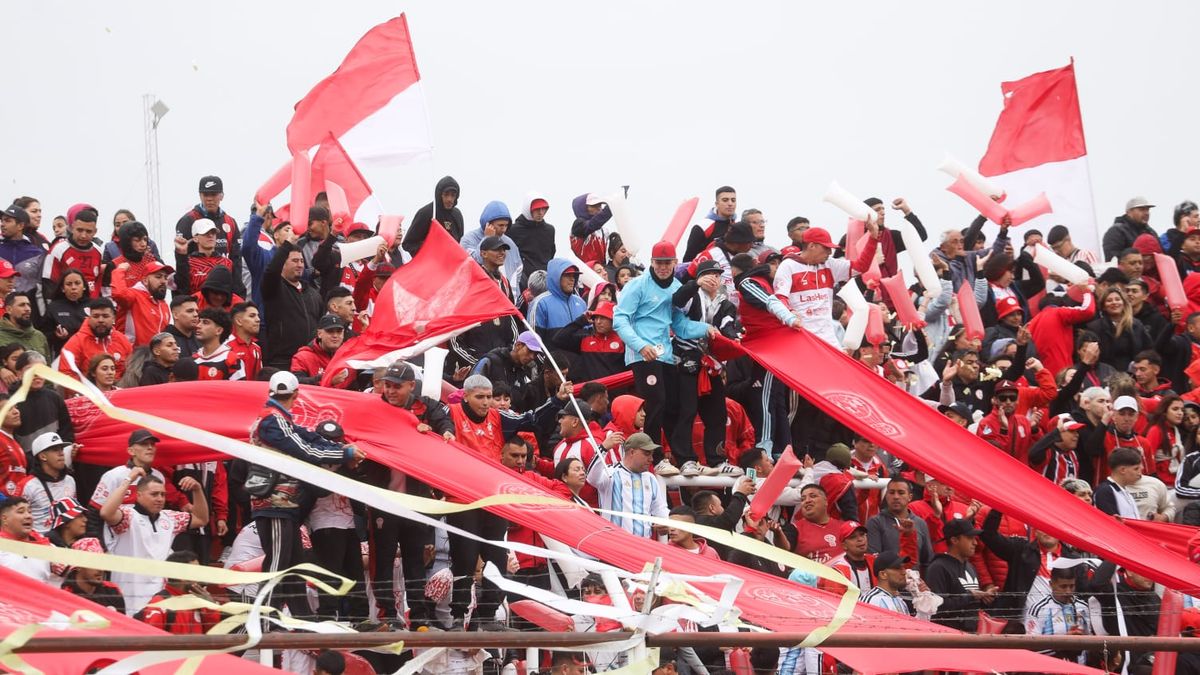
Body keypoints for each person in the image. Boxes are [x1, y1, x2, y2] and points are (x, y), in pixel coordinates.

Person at [249, 371, 364, 619]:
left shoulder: (279, 419)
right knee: (279, 561)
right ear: (296, 395)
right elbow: (305, 449)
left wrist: (339, 448)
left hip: (285, 502)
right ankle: (261, 618)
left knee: (294, 561)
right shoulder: (272, 420)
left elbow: (308, 437)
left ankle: (302, 618)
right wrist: (344, 455)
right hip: (274, 502)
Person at [613, 241, 717, 474]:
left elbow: (679, 326)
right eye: (658, 263)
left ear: (675, 263)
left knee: (674, 406)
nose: (662, 267)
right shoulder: (637, 285)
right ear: (651, 262)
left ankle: (686, 459)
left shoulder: (676, 288)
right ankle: (655, 458)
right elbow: (620, 319)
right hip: (643, 356)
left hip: (665, 355)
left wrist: (706, 328)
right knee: (656, 401)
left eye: (667, 263)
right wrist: (640, 346)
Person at [99, 468, 208, 614]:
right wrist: (128, 480)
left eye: (163, 494)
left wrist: (197, 489)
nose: (160, 498)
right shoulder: (127, 515)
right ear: (138, 495)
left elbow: (201, 519)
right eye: (154, 494)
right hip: (129, 597)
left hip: (159, 600)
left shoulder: (170, 518)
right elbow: (106, 512)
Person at [775, 225, 879, 348]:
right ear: (811, 246)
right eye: (826, 248)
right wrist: (790, 312)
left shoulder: (830, 264)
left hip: (829, 339)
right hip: (801, 336)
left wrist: (873, 238)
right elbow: (780, 298)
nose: (830, 252)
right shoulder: (788, 266)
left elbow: (861, 267)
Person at [587, 432, 670, 538]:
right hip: (615, 543)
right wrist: (603, 448)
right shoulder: (610, 473)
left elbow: (660, 509)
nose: (651, 459)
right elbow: (591, 478)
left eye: (652, 454)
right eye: (647, 454)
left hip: (644, 546)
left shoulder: (650, 478)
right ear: (632, 452)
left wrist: (666, 524)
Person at [175, 176, 242, 293]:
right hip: (197, 287)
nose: (209, 199)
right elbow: (182, 261)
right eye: (206, 195)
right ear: (200, 195)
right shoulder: (188, 220)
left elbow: (236, 260)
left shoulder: (230, 222)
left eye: (214, 194)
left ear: (221, 196)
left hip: (225, 289)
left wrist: (238, 293)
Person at [261, 240, 322, 369]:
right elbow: (271, 272)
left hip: (310, 360)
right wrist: (287, 244)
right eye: (294, 261)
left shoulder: (313, 294)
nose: (300, 265)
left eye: (301, 261)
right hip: (281, 361)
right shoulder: (274, 288)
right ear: (282, 263)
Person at [925, 518, 993, 632]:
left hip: (972, 635)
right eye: (970, 538)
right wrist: (970, 596)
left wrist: (985, 598)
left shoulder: (970, 567)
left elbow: (971, 605)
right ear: (954, 540)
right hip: (949, 638)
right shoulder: (938, 568)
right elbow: (936, 607)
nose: (975, 543)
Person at [134, 550, 222, 634]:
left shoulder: (201, 602)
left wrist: (211, 608)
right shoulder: (160, 605)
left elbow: (215, 637)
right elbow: (150, 642)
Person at [1024, 566, 1093, 662]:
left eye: (1071, 586)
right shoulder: (1038, 609)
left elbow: (1091, 642)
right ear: (1051, 584)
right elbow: (1031, 647)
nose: (1068, 591)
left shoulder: (1083, 607)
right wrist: (1063, 644)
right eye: (1063, 586)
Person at [550, 300, 626, 382]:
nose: (598, 322)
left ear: (613, 319)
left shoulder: (624, 341)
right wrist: (580, 321)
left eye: (603, 318)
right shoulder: (585, 339)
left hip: (617, 392)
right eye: (596, 317)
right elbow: (558, 340)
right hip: (591, 393)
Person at [58, 298, 131, 382]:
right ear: (89, 318)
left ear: (113, 318)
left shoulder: (123, 340)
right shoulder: (76, 342)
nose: (100, 320)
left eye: (105, 316)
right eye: (96, 316)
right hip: (88, 392)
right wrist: (88, 391)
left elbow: (130, 371)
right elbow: (66, 373)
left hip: (119, 391)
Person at [866, 478, 933, 569]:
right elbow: (873, 558)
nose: (896, 497)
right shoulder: (875, 522)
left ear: (910, 497)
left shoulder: (920, 523)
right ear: (886, 496)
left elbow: (927, 562)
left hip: (914, 580)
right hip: (887, 580)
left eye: (901, 493)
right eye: (891, 492)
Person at [18, 432, 77, 534]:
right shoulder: (28, 485)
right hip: (39, 544)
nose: (61, 453)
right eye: (55, 450)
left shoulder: (70, 480)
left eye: (61, 449)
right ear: (43, 456)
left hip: (66, 543)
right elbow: (16, 521)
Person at [42, 205, 102, 300]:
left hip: (92, 309)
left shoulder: (99, 252)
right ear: (72, 227)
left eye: (88, 231)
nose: (83, 235)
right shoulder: (58, 250)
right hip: (66, 308)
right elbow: (48, 283)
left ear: (95, 232)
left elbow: (99, 283)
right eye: (80, 230)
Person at [110, 258, 172, 347]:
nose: (163, 281)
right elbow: (119, 294)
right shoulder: (134, 295)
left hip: (154, 356)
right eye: (158, 277)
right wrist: (120, 270)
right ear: (145, 280)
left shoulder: (163, 305)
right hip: (133, 356)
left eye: (165, 278)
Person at [60, 537, 126, 614]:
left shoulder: (112, 591)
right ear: (78, 566)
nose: (100, 569)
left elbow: (124, 624)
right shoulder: (65, 597)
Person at [0, 497, 60, 582]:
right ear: (5, 519)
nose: (28, 516)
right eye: (21, 512)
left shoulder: (46, 546)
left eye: (30, 512)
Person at [401, 175, 464, 254]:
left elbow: (460, 243)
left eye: (453, 195)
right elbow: (408, 244)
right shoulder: (426, 213)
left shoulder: (457, 215)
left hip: (451, 263)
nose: (449, 199)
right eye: (446, 194)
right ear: (439, 194)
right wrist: (430, 250)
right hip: (431, 262)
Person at [531, 259, 587, 342]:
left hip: (579, 354)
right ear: (556, 277)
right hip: (552, 354)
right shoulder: (540, 303)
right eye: (568, 275)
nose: (572, 279)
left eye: (574, 276)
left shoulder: (581, 302)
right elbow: (534, 340)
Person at [290, 314, 351, 387]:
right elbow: (296, 382)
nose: (335, 335)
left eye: (339, 332)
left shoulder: (349, 357)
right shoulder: (303, 357)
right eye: (330, 331)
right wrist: (327, 379)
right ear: (319, 334)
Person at [0, 204, 45, 303]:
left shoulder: (37, 253)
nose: (2, 224)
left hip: (27, 310)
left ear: (20, 225)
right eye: (2, 220)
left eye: (7, 221)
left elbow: (41, 288)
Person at [683, 186, 738, 263]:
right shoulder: (703, 226)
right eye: (725, 200)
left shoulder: (738, 227)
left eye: (733, 200)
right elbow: (688, 259)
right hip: (707, 272)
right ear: (717, 204)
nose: (730, 204)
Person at [792, 484, 844, 564]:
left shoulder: (844, 527)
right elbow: (784, 548)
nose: (807, 501)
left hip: (843, 574)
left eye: (813, 496)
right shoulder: (794, 528)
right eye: (803, 499)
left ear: (826, 501)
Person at [508, 192, 556, 280]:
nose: (541, 213)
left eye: (543, 209)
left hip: (544, 278)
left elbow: (551, 254)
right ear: (528, 209)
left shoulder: (549, 230)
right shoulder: (513, 230)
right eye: (537, 209)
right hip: (521, 278)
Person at [42, 269, 88, 355]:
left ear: (84, 286)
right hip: (64, 354)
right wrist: (56, 335)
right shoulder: (54, 307)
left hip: (89, 354)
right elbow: (44, 335)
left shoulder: (94, 305)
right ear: (63, 288)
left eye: (77, 283)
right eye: (69, 284)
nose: (73, 287)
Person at [1093, 447, 1144, 519]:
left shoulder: (1124, 491)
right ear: (1123, 470)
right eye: (1136, 469)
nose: (1140, 473)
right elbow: (1112, 522)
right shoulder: (1105, 491)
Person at [1103, 196, 1156, 261]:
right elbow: (1113, 260)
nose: (1146, 213)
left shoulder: (1151, 232)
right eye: (1141, 209)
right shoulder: (1116, 231)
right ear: (1129, 212)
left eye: (1147, 210)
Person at [860, 551, 913, 616]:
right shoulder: (871, 601)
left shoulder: (901, 601)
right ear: (883, 574)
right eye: (898, 568)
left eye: (903, 567)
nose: (904, 572)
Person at [0, 292, 49, 356]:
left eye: (29, 305)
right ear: (9, 309)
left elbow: (47, 365)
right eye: (22, 305)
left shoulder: (39, 336)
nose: (28, 309)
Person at [224, 302, 263, 381]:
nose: (258, 320)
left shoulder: (257, 348)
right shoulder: (225, 347)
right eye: (252, 316)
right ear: (239, 321)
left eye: (258, 316)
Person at [569, 193, 611, 264]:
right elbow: (592, 225)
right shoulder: (578, 225)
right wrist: (610, 208)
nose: (599, 208)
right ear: (583, 208)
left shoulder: (604, 230)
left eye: (600, 205)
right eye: (594, 206)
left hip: (600, 270)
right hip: (584, 270)